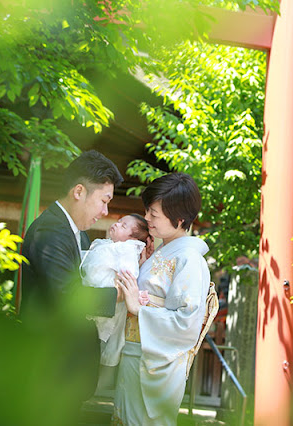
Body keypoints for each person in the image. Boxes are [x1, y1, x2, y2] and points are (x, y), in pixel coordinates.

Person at [20, 150, 123, 420]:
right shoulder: (50, 231)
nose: (105, 211)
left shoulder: (81, 237)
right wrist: (120, 295)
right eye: (104, 200)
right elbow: (66, 296)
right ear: (79, 191)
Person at [113, 172, 218, 426]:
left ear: (180, 219)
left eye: (154, 214)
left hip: (153, 361)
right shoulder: (161, 251)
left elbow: (187, 323)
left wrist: (141, 310)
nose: (146, 218)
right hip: (136, 353)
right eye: (147, 211)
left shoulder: (190, 260)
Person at [79, 214, 153, 365]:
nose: (117, 225)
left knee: (99, 341)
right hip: (93, 294)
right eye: (119, 222)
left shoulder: (127, 249)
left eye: (123, 226)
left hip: (106, 297)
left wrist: (127, 283)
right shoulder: (107, 244)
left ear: (132, 239)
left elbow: (129, 273)